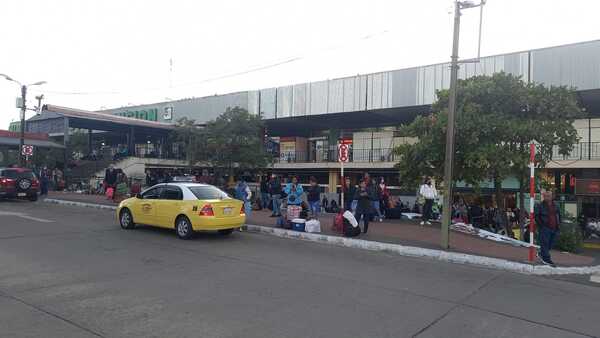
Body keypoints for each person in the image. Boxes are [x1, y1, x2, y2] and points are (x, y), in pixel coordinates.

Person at [535, 191, 561, 267]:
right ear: (543, 197)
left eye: (549, 196)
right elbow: (537, 216)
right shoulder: (539, 205)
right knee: (545, 243)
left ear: (552, 196)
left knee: (552, 243)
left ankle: (541, 253)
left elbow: (559, 214)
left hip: (555, 227)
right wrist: (541, 225)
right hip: (545, 228)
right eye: (546, 196)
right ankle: (546, 259)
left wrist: (559, 223)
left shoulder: (556, 205)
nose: (547, 197)